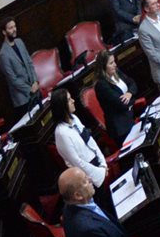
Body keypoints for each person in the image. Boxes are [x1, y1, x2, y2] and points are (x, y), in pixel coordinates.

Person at [50, 87, 118, 221]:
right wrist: (99, 173)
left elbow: (90, 141)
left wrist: (103, 163)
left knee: (112, 205)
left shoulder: (74, 118)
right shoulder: (61, 133)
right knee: (104, 210)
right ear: (62, 106)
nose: (73, 101)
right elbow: (77, 162)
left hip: (97, 164)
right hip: (87, 175)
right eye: (69, 100)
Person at [91, 50, 138, 147]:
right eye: (111, 63)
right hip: (121, 128)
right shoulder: (101, 85)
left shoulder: (116, 72)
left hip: (129, 118)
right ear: (103, 67)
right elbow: (121, 104)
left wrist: (129, 93)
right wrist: (133, 99)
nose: (115, 65)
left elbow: (133, 83)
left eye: (114, 62)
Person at [0, 18, 38, 120]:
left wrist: (35, 81)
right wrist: (30, 90)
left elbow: (29, 62)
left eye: (14, 26)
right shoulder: (3, 54)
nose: (14, 29)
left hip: (35, 90)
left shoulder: (19, 42)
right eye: (10, 28)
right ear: (4, 32)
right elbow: (12, 80)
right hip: (23, 99)